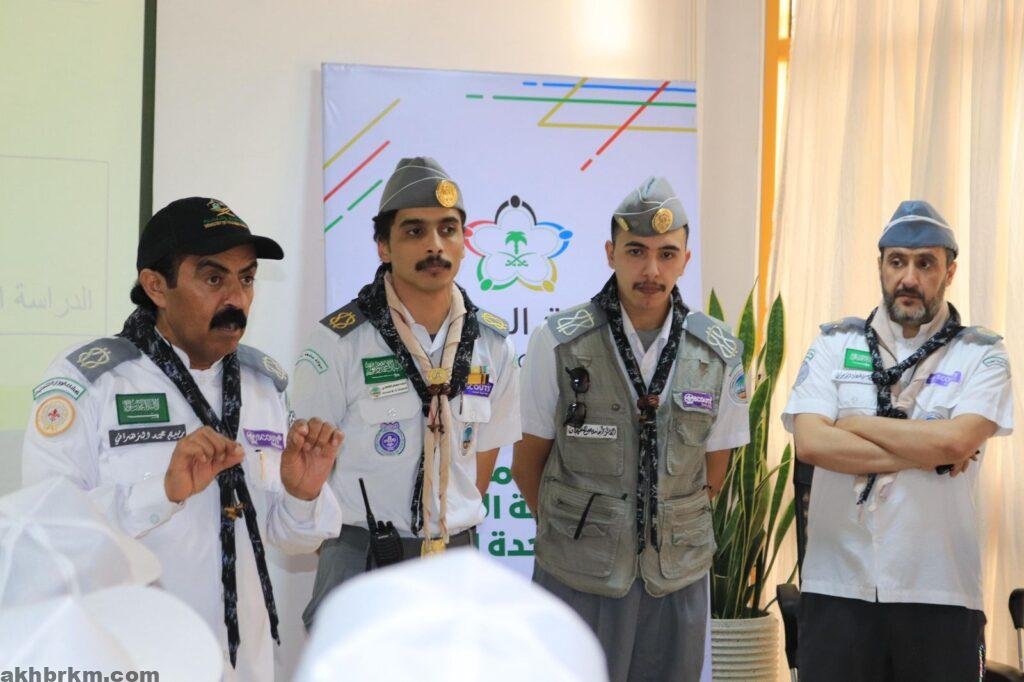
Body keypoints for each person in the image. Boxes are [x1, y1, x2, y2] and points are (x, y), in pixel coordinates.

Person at [21, 197, 344, 682]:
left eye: (247, 279)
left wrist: (303, 493)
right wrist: (161, 492)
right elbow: (45, 534)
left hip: (243, 666)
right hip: (132, 661)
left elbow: (291, 538)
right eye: (214, 279)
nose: (236, 299)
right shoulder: (91, 383)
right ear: (156, 286)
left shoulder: (263, 385)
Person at [512, 176, 750, 681]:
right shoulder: (557, 342)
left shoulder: (718, 352)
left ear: (685, 259)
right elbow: (527, 462)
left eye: (667, 254)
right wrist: (585, 529)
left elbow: (715, 468)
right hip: (579, 573)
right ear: (610, 254)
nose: (651, 270)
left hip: (676, 579)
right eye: (636, 251)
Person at [782, 200, 1014, 681]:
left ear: (949, 272)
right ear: (881, 266)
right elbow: (811, 443)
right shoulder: (834, 345)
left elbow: (956, 443)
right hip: (837, 587)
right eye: (897, 262)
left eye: (925, 263)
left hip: (940, 590)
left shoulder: (981, 354)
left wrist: (851, 424)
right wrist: (929, 449)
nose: (909, 278)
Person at [292, 157, 521, 627]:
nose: (435, 245)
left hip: (455, 558)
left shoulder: (493, 344)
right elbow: (307, 462)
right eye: (415, 231)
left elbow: (484, 454)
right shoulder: (339, 341)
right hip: (362, 554)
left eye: (448, 230)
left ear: (464, 242)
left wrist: (444, 524)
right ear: (383, 246)